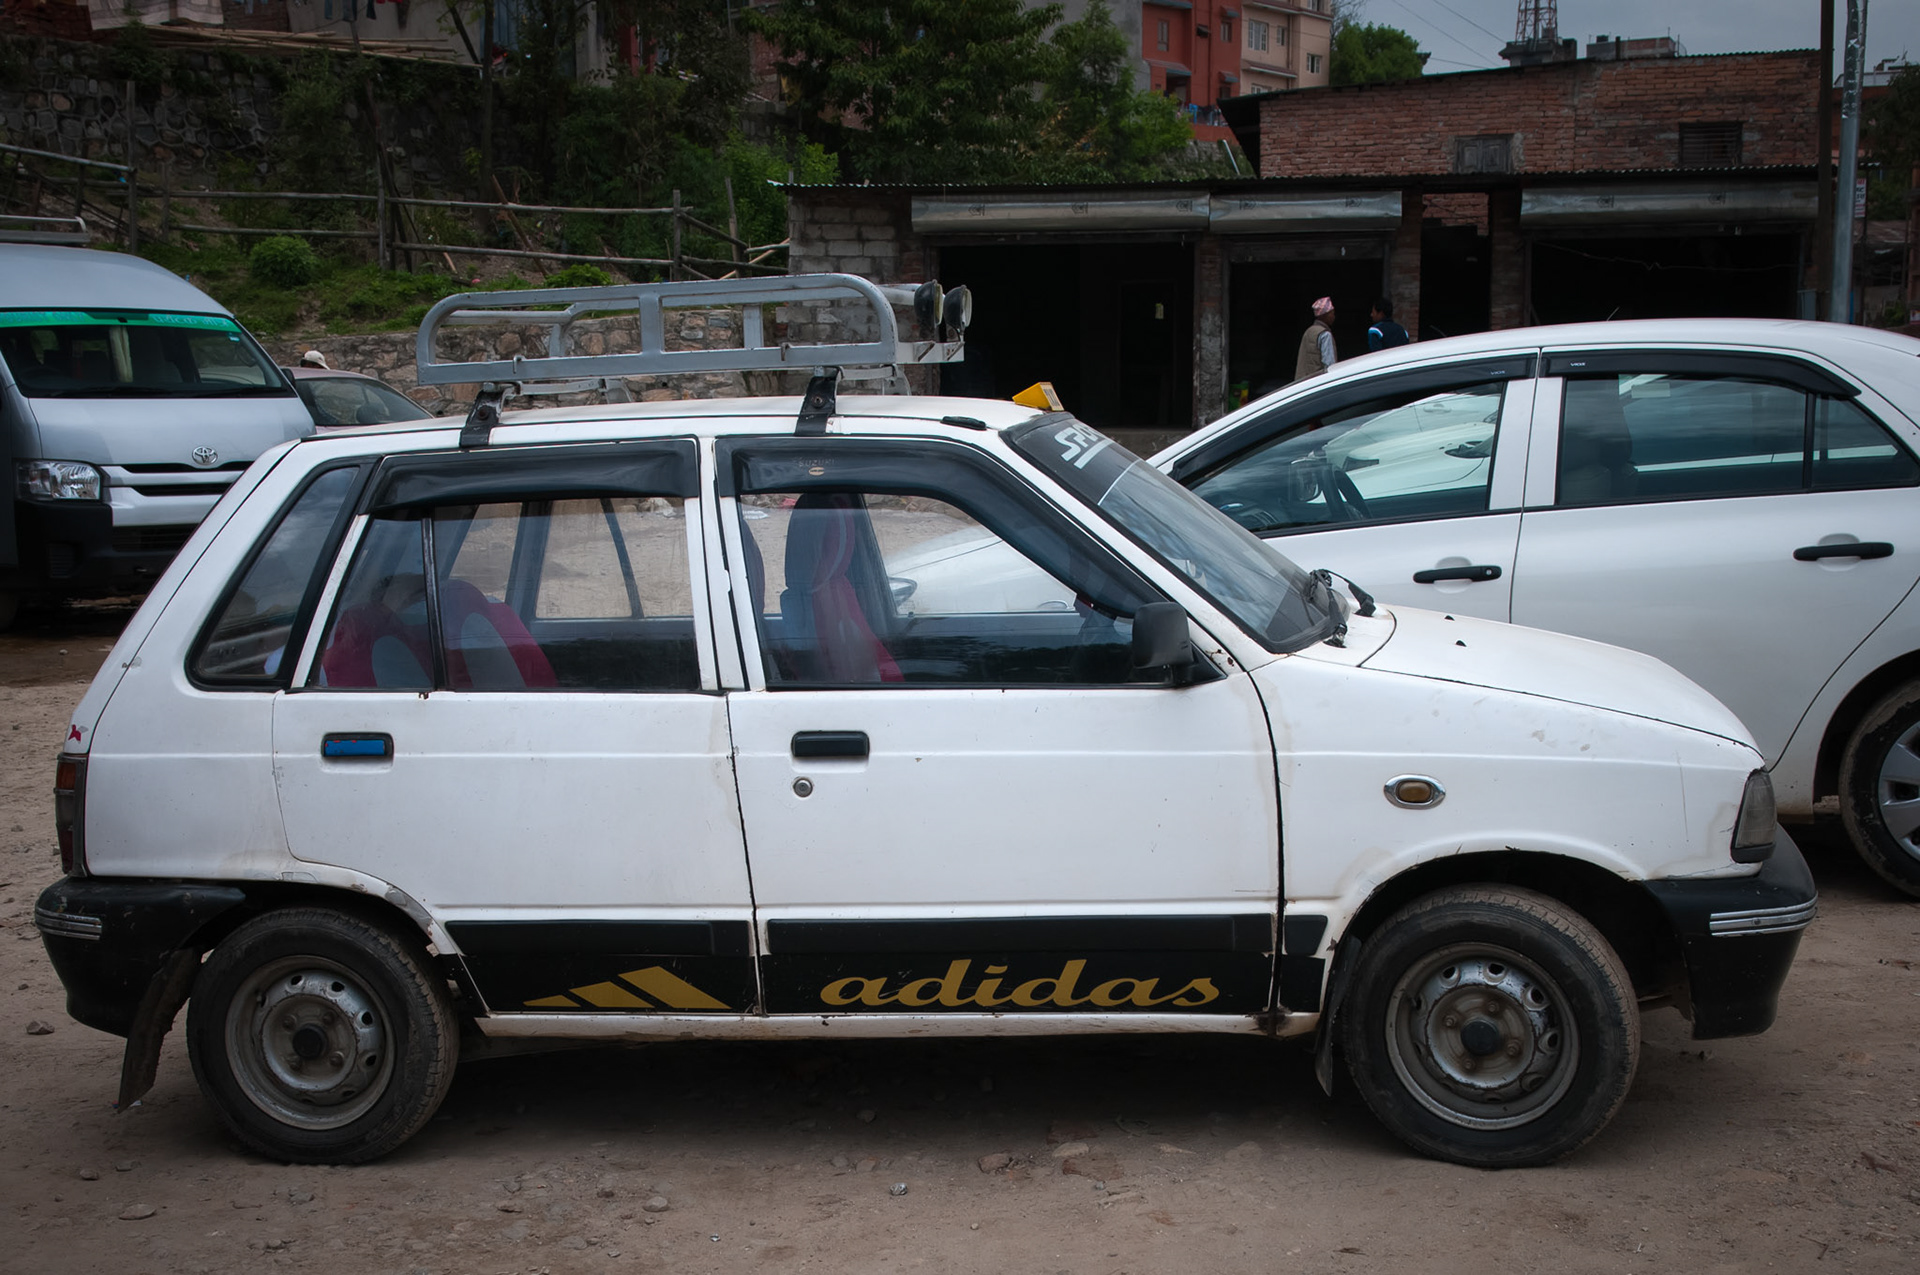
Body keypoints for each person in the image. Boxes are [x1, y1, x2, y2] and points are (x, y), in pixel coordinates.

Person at [1293, 297, 1337, 382]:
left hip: (1303, 381)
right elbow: (1330, 364)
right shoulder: (1325, 334)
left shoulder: (1309, 331)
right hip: (1317, 382)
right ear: (1325, 315)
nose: (1333, 317)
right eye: (1332, 314)